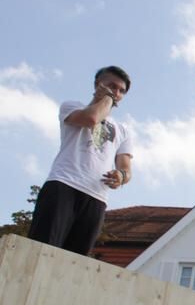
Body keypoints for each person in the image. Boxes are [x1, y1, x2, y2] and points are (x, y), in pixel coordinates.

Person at [28, 66, 134, 255]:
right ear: (97, 84)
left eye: (121, 91)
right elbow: (91, 118)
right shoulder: (71, 106)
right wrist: (107, 98)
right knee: (41, 250)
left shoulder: (123, 130)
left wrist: (120, 175)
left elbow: (126, 168)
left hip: (96, 197)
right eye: (112, 86)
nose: (116, 93)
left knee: (74, 259)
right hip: (63, 185)